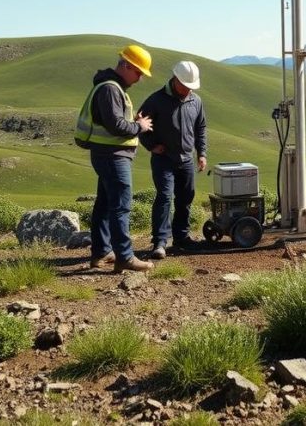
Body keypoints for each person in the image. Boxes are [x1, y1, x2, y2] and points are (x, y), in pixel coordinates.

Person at [74, 44, 155, 272]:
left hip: (107, 155)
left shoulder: (111, 87)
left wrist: (133, 121)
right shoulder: (110, 89)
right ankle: (125, 257)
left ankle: (101, 253)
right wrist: (138, 126)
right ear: (126, 65)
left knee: (105, 204)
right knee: (121, 206)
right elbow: (115, 125)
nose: (139, 78)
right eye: (138, 72)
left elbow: (114, 121)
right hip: (112, 156)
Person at [139, 60, 207, 259]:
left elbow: (200, 128)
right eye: (185, 86)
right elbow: (140, 124)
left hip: (186, 158)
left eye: (191, 87)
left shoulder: (196, 101)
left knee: (186, 198)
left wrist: (201, 153)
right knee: (165, 197)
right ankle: (160, 242)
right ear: (175, 79)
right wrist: (151, 145)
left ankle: (181, 238)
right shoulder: (156, 100)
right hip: (164, 159)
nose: (188, 90)